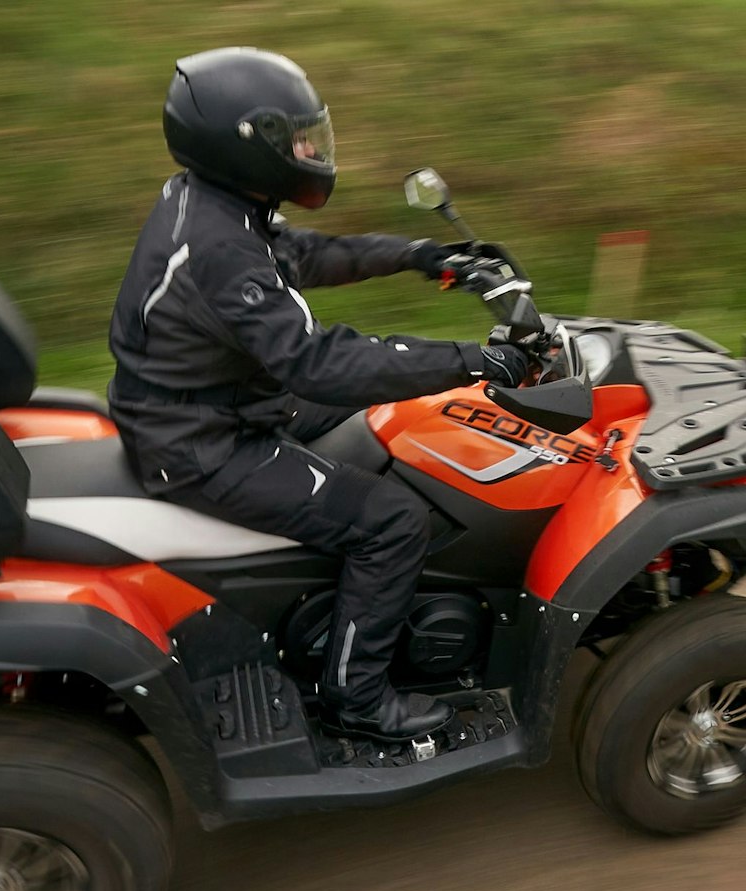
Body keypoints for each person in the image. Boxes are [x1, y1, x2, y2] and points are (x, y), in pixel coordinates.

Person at [107, 47, 536, 743]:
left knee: (393, 413)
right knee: (393, 521)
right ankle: (359, 696)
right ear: (242, 145)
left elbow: (301, 256)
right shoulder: (219, 251)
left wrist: (420, 255)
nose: (310, 150)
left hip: (212, 402)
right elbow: (318, 363)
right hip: (201, 445)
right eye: (295, 139)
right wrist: (475, 362)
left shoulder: (213, 203)